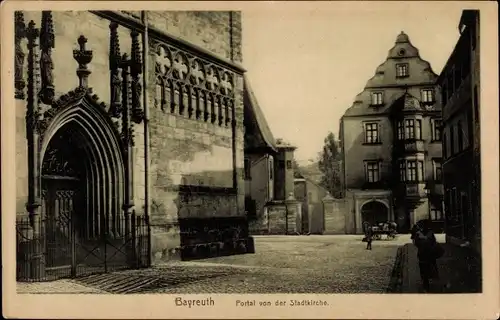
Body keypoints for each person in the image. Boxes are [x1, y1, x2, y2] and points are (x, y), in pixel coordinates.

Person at [413, 219, 439, 292]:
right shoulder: (431, 233)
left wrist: (422, 243)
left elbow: (416, 244)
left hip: (422, 254)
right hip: (429, 254)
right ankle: (428, 282)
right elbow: (434, 242)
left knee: (423, 269)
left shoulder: (418, 233)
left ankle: (425, 284)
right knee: (429, 267)